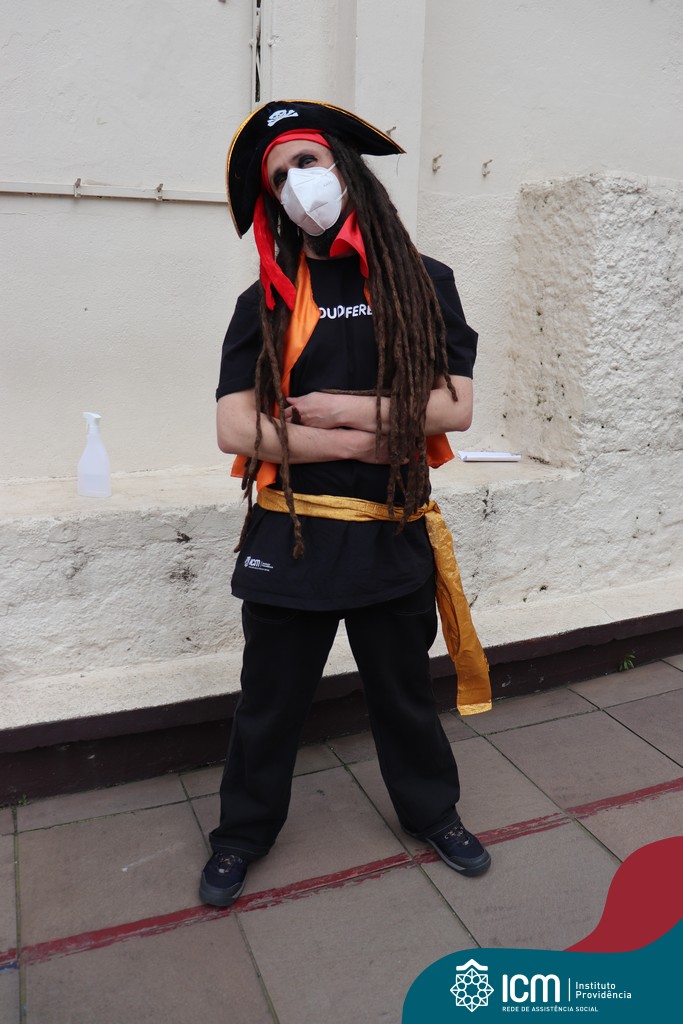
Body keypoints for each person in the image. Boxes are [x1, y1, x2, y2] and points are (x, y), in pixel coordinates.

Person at [200, 99, 492, 908]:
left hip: (391, 531)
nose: (297, 184)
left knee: (403, 694)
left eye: (306, 162)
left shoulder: (424, 281)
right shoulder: (264, 300)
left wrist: (336, 408)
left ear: (344, 169)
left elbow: (454, 406)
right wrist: (360, 442)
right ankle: (241, 835)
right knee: (269, 702)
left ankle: (433, 813)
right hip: (290, 536)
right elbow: (233, 427)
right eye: (278, 178)